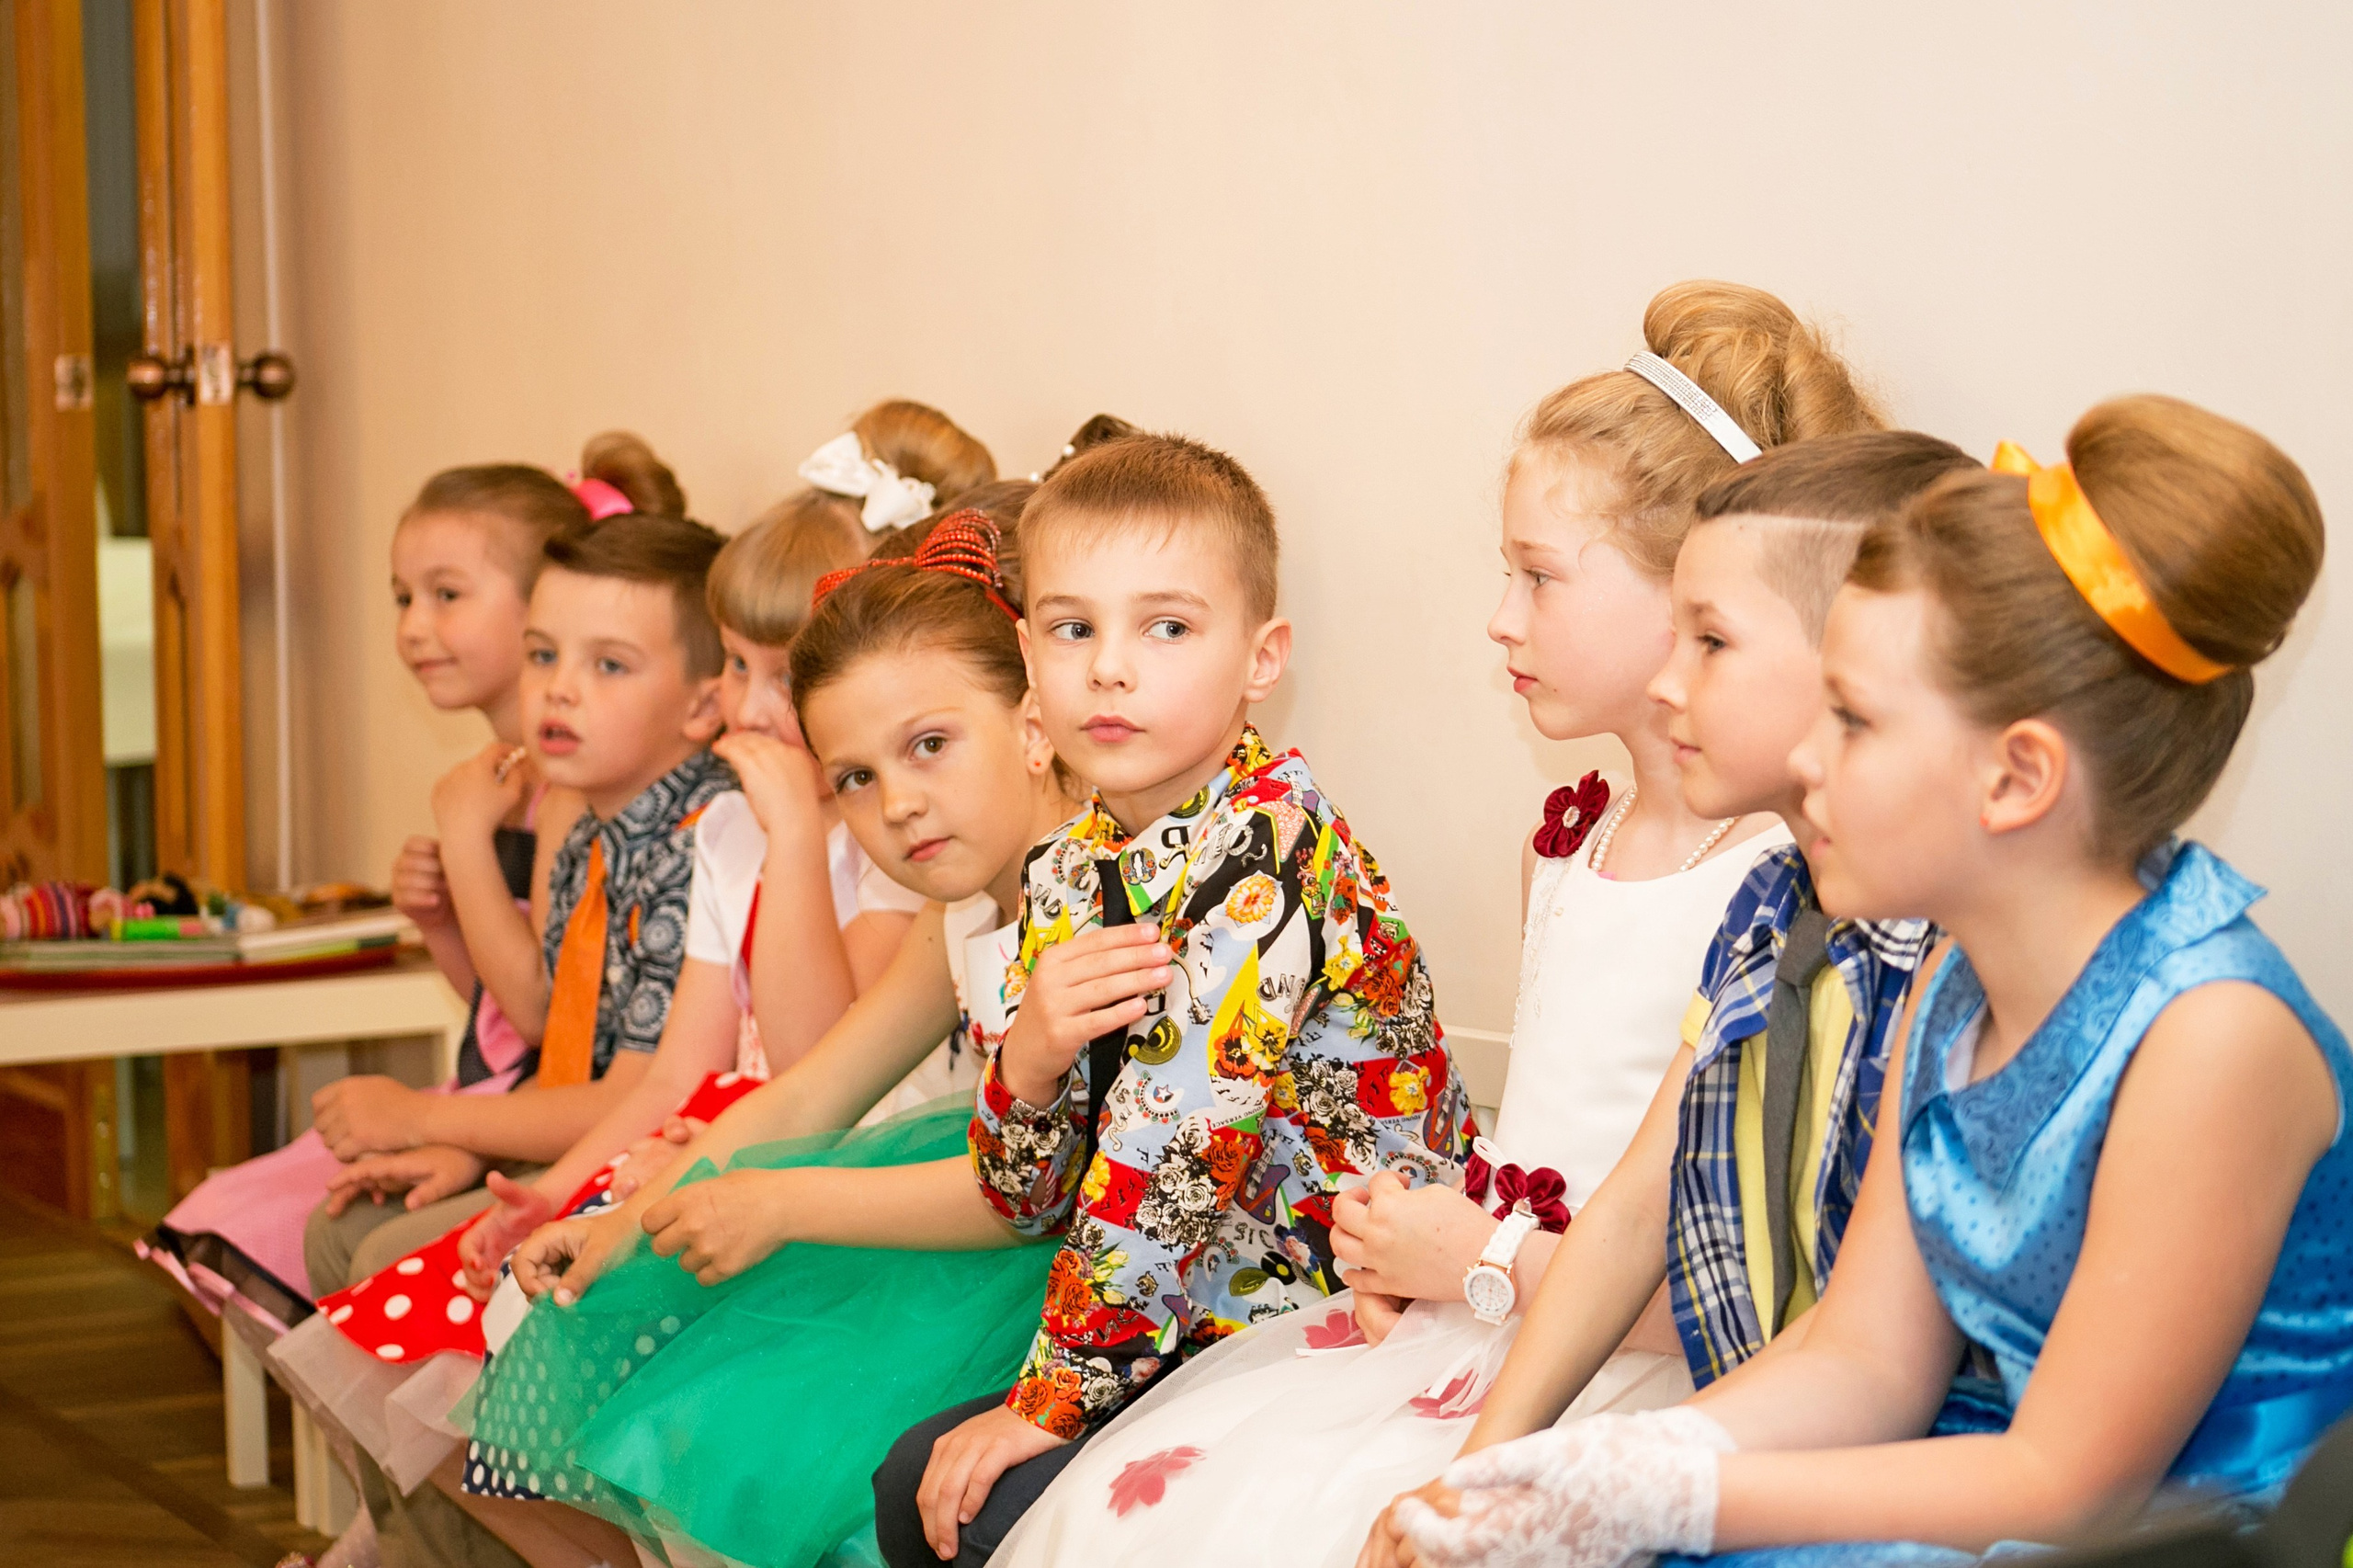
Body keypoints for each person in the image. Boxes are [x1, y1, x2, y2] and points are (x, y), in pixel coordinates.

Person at [984, 284, 1864, 1566]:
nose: (1501, 619)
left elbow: (1732, 1264)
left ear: (1692, 592)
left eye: (1538, 578)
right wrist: (1423, 1233)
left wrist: (1479, 1253)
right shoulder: (1570, 840)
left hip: (1621, 1358)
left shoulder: (1782, 881)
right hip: (1489, 1317)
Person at [1389, 397, 2352, 1566]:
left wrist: (1667, 1498)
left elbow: (2065, 1481)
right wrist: (1580, 1470)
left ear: (2016, 777)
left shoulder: (2211, 1036)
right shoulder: (1954, 987)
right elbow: (1866, 1359)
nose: (1802, 757)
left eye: (1850, 718)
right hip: (1964, 1480)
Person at [1362, 426, 1982, 1566]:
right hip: (1778, 1424)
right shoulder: (1768, 909)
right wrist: (1476, 1478)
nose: (1663, 680)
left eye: (1710, 641)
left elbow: (1878, 1356)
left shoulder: (1949, 955)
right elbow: (1636, 1211)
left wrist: (1591, 1479)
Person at [871, 431, 1476, 1567]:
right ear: (1027, 653)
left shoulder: (1270, 850)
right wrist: (1029, 1061)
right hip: (1181, 1305)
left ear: (1261, 658)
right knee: (916, 1476)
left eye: (1166, 626)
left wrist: (1047, 1401)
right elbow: (1026, 1193)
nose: (1109, 667)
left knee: (971, 1501)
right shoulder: (1068, 864)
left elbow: (1173, 1155)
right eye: (1072, 626)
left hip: (1337, 1307)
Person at [445, 504, 1083, 1568]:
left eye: (929, 745)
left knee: (785, 1447)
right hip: (959, 1220)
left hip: (1065, 1272)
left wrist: (780, 1201)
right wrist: (629, 1217)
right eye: (857, 779)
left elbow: (1045, 1195)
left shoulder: (1105, 896)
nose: (900, 807)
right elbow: (804, 1094)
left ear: (1030, 716)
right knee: (650, 1352)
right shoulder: (960, 909)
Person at [139, 435, 671, 1327]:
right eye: (402, 598)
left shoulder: (560, 795)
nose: (413, 626)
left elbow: (545, 1011)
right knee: (261, 1205)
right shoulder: (506, 774)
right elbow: (510, 1011)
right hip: (523, 1086)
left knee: (316, 1218)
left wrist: (465, 842)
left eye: (446, 595)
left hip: (560, 1103)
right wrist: (443, 923)